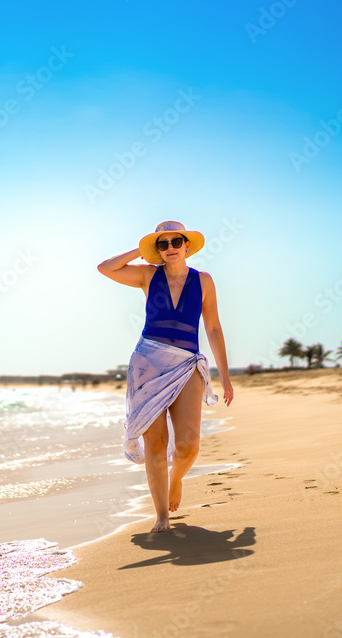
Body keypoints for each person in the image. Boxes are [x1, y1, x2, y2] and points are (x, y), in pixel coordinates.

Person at [98, 220, 234, 533]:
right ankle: (161, 516)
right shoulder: (147, 275)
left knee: (189, 445)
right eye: (163, 244)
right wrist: (141, 251)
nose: (170, 248)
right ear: (157, 250)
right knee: (156, 445)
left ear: (187, 246)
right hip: (148, 363)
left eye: (176, 242)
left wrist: (224, 375)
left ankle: (177, 480)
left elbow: (212, 327)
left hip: (186, 363)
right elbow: (106, 268)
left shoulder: (204, 281)